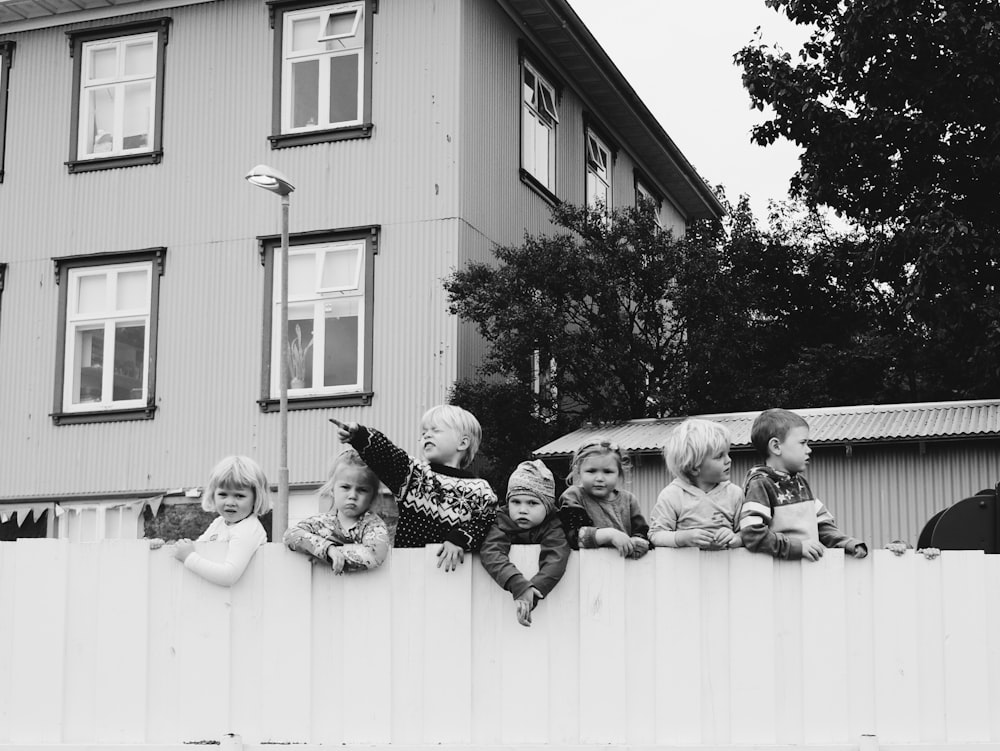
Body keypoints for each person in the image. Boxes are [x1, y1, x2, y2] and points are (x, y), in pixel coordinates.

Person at [329, 405, 498, 571]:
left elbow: (487, 522)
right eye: (424, 433)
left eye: (436, 430)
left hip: (458, 576)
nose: (427, 435)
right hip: (410, 571)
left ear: (463, 443)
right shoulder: (415, 475)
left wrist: (459, 539)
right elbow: (388, 455)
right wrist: (359, 435)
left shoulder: (480, 489)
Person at [738, 408, 867, 561]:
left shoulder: (801, 483)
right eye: (803, 443)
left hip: (807, 575)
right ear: (776, 447)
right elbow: (752, 534)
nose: (809, 449)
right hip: (778, 576)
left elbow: (823, 525)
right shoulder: (761, 484)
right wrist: (797, 547)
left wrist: (848, 543)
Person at [480, 460, 569, 627]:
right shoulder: (502, 519)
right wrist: (518, 584)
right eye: (516, 502)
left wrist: (534, 592)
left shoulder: (553, 524)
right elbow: (491, 552)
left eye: (532, 503)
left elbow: (557, 557)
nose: (522, 510)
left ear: (548, 507)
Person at [158, 455, 271, 586]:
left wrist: (189, 557)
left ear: (256, 498)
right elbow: (198, 547)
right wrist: (169, 546)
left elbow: (229, 576)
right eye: (223, 494)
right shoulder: (218, 523)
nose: (230, 502)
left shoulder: (249, 529)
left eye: (239, 496)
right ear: (213, 494)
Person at [283, 449, 390, 574]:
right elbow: (290, 535)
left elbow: (375, 554)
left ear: (372, 496)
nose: (352, 495)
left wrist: (335, 556)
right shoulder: (322, 523)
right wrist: (327, 549)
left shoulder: (373, 525)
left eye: (362, 490)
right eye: (345, 487)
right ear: (332, 489)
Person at [648, 418, 744, 549]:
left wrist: (736, 538)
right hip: (685, 568)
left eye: (727, 453)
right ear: (694, 468)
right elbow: (656, 535)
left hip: (727, 567)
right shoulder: (672, 495)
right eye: (719, 456)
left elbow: (748, 533)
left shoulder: (734, 494)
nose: (728, 460)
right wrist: (683, 538)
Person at [558, 438, 650, 558]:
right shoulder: (573, 496)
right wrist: (609, 535)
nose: (600, 478)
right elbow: (571, 536)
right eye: (591, 471)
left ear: (619, 473)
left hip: (624, 566)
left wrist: (638, 542)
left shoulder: (629, 500)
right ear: (578, 471)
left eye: (607, 472)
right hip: (584, 567)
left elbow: (641, 533)